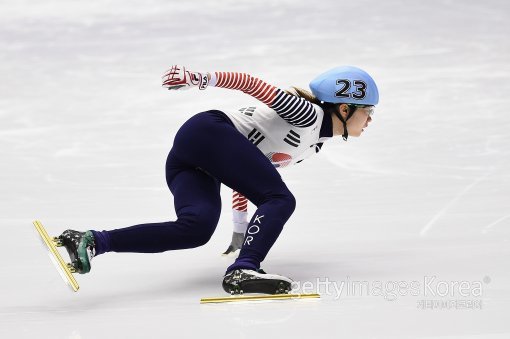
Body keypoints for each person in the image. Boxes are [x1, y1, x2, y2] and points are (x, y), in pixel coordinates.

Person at [58, 65, 379, 295]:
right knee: (281, 199)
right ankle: (243, 270)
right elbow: (252, 84)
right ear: (345, 107)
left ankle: (91, 240)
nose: (370, 119)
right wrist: (199, 78)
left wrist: (240, 233)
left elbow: (247, 175)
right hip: (209, 133)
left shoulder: (312, 144)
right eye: (368, 111)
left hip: (195, 155)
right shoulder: (308, 115)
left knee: (195, 229)